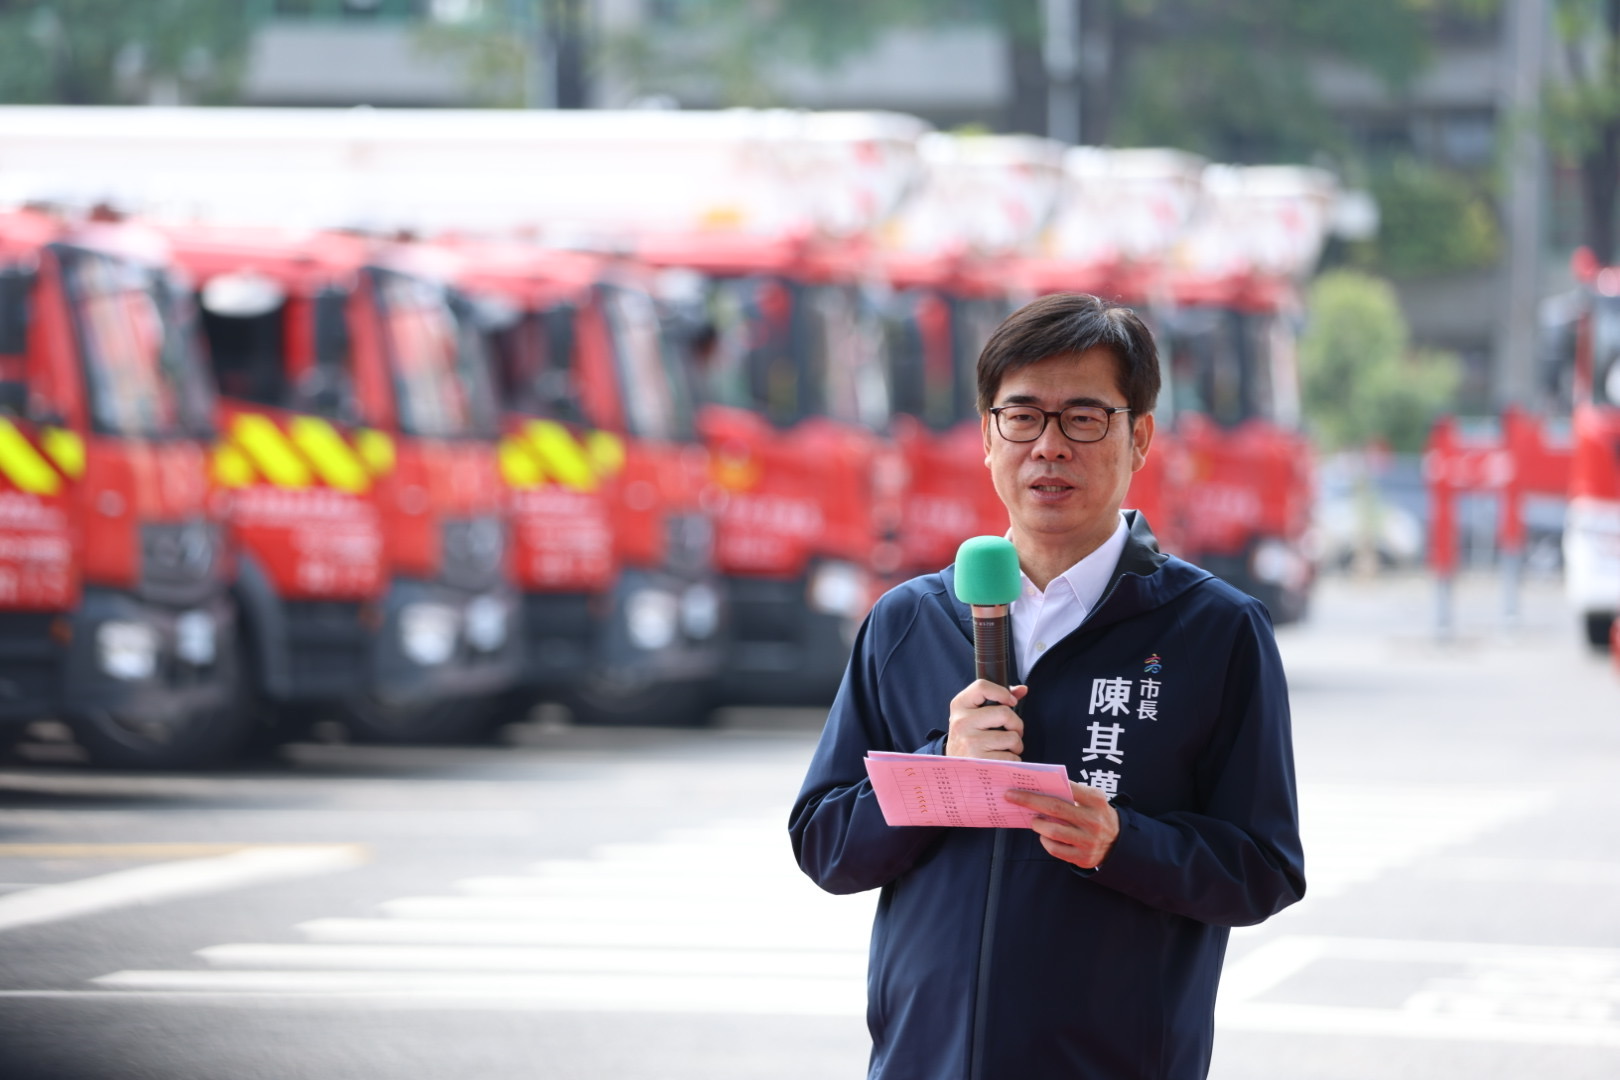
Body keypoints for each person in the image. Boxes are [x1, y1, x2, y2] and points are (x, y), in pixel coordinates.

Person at [789, 292, 1305, 1080]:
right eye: (1021, 416)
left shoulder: (1214, 630)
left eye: (1084, 418)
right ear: (987, 438)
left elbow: (1265, 868)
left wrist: (1123, 843)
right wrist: (941, 764)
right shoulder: (907, 622)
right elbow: (825, 844)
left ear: (1139, 438)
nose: (1049, 447)